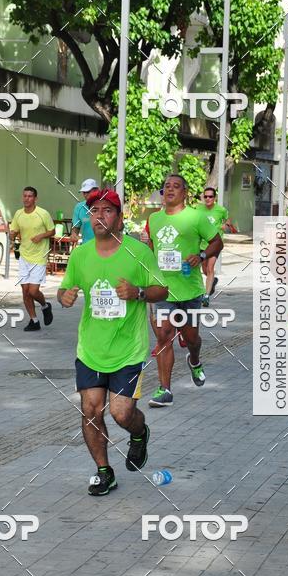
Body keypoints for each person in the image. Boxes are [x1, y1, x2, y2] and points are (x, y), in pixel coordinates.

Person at [57, 189, 168, 495]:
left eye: (107, 211)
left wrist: (139, 293)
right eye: (94, 211)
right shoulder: (80, 255)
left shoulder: (138, 253)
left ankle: (139, 432)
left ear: (119, 218)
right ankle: (104, 471)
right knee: (91, 410)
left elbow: (162, 290)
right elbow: (65, 289)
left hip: (127, 351)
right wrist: (63, 296)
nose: (100, 216)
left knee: (121, 414)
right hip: (90, 349)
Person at [146, 174, 222, 406]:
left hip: (189, 290)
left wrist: (201, 256)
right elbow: (150, 247)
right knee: (164, 337)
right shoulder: (154, 219)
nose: (170, 190)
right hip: (162, 290)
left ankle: (195, 360)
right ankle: (165, 390)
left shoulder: (196, 217)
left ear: (185, 192)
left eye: (175, 186)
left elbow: (217, 242)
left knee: (192, 339)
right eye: (166, 186)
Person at [10, 187, 55, 331]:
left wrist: (41, 236)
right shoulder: (18, 214)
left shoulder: (43, 213)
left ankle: (45, 306)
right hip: (24, 256)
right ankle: (34, 321)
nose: (26, 198)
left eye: (30, 196)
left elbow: (52, 230)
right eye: (24, 196)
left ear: (35, 198)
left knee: (33, 291)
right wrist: (11, 234)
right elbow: (15, 230)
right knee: (25, 292)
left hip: (39, 257)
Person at [196, 186, 232, 305]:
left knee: (210, 268)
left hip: (215, 243)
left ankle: (206, 296)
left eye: (210, 196)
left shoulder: (221, 210)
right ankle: (213, 281)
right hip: (202, 244)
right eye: (205, 196)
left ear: (214, 198)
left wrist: (225, 226)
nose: (207, 199)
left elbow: (228, 223)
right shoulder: (198, 209)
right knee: (205, 270)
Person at [71, 178, 99, 245]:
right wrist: (74, 234)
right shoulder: (79, 207)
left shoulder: (106, 205)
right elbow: (76, 227)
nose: (86, 195)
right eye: (84, 192)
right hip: (86, 246)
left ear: (97, 191)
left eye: (88, 192)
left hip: (106, 248)